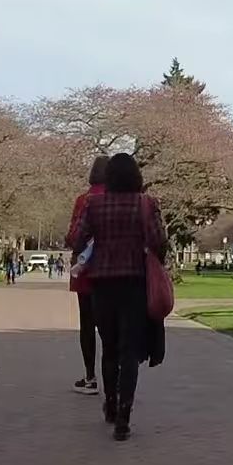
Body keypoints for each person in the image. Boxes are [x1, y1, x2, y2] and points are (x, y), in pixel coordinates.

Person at [67, 153, 167, 441]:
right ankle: (124, 414)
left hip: (102, 283)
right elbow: (159, 240)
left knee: (109, 347)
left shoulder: (93, 204)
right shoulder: (146, 204)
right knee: (130, 352)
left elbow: (77, 238)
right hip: (135, 282)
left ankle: (110, 404)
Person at [66, 156, 109, 397]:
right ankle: (114, 374)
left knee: (87, 324)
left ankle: (90, 375)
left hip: (86, 270)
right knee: (109, 324)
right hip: (112, 269)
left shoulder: (85, 200)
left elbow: (74, 236)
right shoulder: (121, 199)